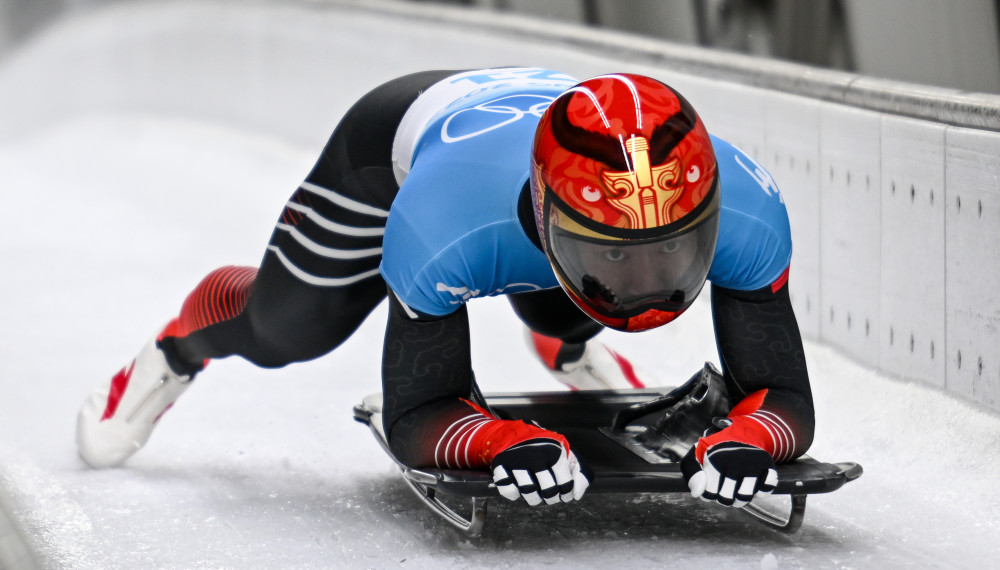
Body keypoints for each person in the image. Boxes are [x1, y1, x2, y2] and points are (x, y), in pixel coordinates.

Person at [77, 68, 814, 510]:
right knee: (290, 330)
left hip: (532, 170)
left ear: (711, 210)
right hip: (396, 145)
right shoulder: (446, 224)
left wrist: (745, 436)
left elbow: (783, 398)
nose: (651, 287)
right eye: (620, 260)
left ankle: (563, 329)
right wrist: (496, 440)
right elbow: (418, 411)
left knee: (574, 290)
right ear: (543, 214)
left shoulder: (750, 207)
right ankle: (177, 346)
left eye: (675, 250)